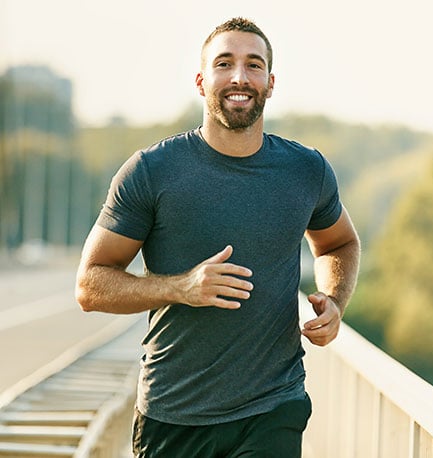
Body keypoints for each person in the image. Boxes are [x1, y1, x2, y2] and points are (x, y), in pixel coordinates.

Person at [75, 17, 360, 458]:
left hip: (273, 407)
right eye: (224, 64)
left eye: (253, 65)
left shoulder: (306, 170)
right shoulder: (151, 171)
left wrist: (335, 301)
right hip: (175, 413)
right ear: (201, 80)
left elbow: (339, 242)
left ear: (270, 82)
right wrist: (181, 287)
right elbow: (90, 285)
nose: (239, 77)